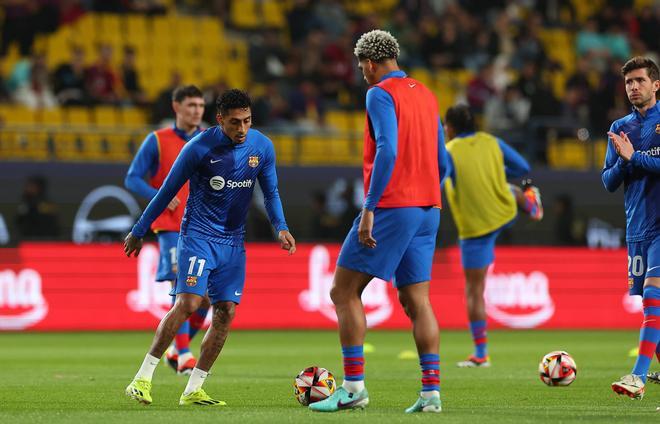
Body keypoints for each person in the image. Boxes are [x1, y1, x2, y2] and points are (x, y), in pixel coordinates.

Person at [123, 89, 296, 406]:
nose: (241, 129)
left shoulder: (262, 146)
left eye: (246, 121)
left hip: (233, 242)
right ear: (220, 120)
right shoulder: (199, 148)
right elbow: (165, 192)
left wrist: (281, 227)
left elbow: (270, 193)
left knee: (226, 312)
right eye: (234, 123)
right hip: (198, 236)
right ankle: (141, 379)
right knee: (188, 303)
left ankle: (193, 388)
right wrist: (139, 229)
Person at [309, 30, 448, 414]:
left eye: (361, 68)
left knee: (343, 291)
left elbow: (387, 147)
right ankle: (431, 394)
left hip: (392, 205)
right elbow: (444, 160)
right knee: (416, 299)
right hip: (429, 208)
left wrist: (370, 207)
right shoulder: (428, 93)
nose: (362, 75)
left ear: (370, 64)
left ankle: (353, 388)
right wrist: (430, 197)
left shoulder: (378, 93)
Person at [442, 104, 543, 369]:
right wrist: (494, 174)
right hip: (503, 210)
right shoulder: (491, 141)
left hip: (475, 227)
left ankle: (481, 353)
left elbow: (438, 178)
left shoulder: (449, 151)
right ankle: (531, 205)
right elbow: (522, 166)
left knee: (474, 291)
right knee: (512, 190)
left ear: (449, 128)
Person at [124, 85, 208, 376]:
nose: (197, 110)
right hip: (171, 226)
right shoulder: (157, 140)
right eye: (191, 105)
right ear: (176, 107)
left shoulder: (210, 141)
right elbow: (133, 179)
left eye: (200, 105)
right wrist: (158, 193)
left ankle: (176, 346)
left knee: (206, 299)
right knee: (181, 284)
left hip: (203, 227)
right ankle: (184, 352)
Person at [604, 57, 660, 400]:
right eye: (628, 82)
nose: (633, 87)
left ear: (656, 84)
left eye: (639, 80)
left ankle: (636, 377)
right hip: (637, 228)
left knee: (654, 298)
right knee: (651, 309)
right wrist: (624, 162)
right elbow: (608, 181)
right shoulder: (620, 126)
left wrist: (633, 157)